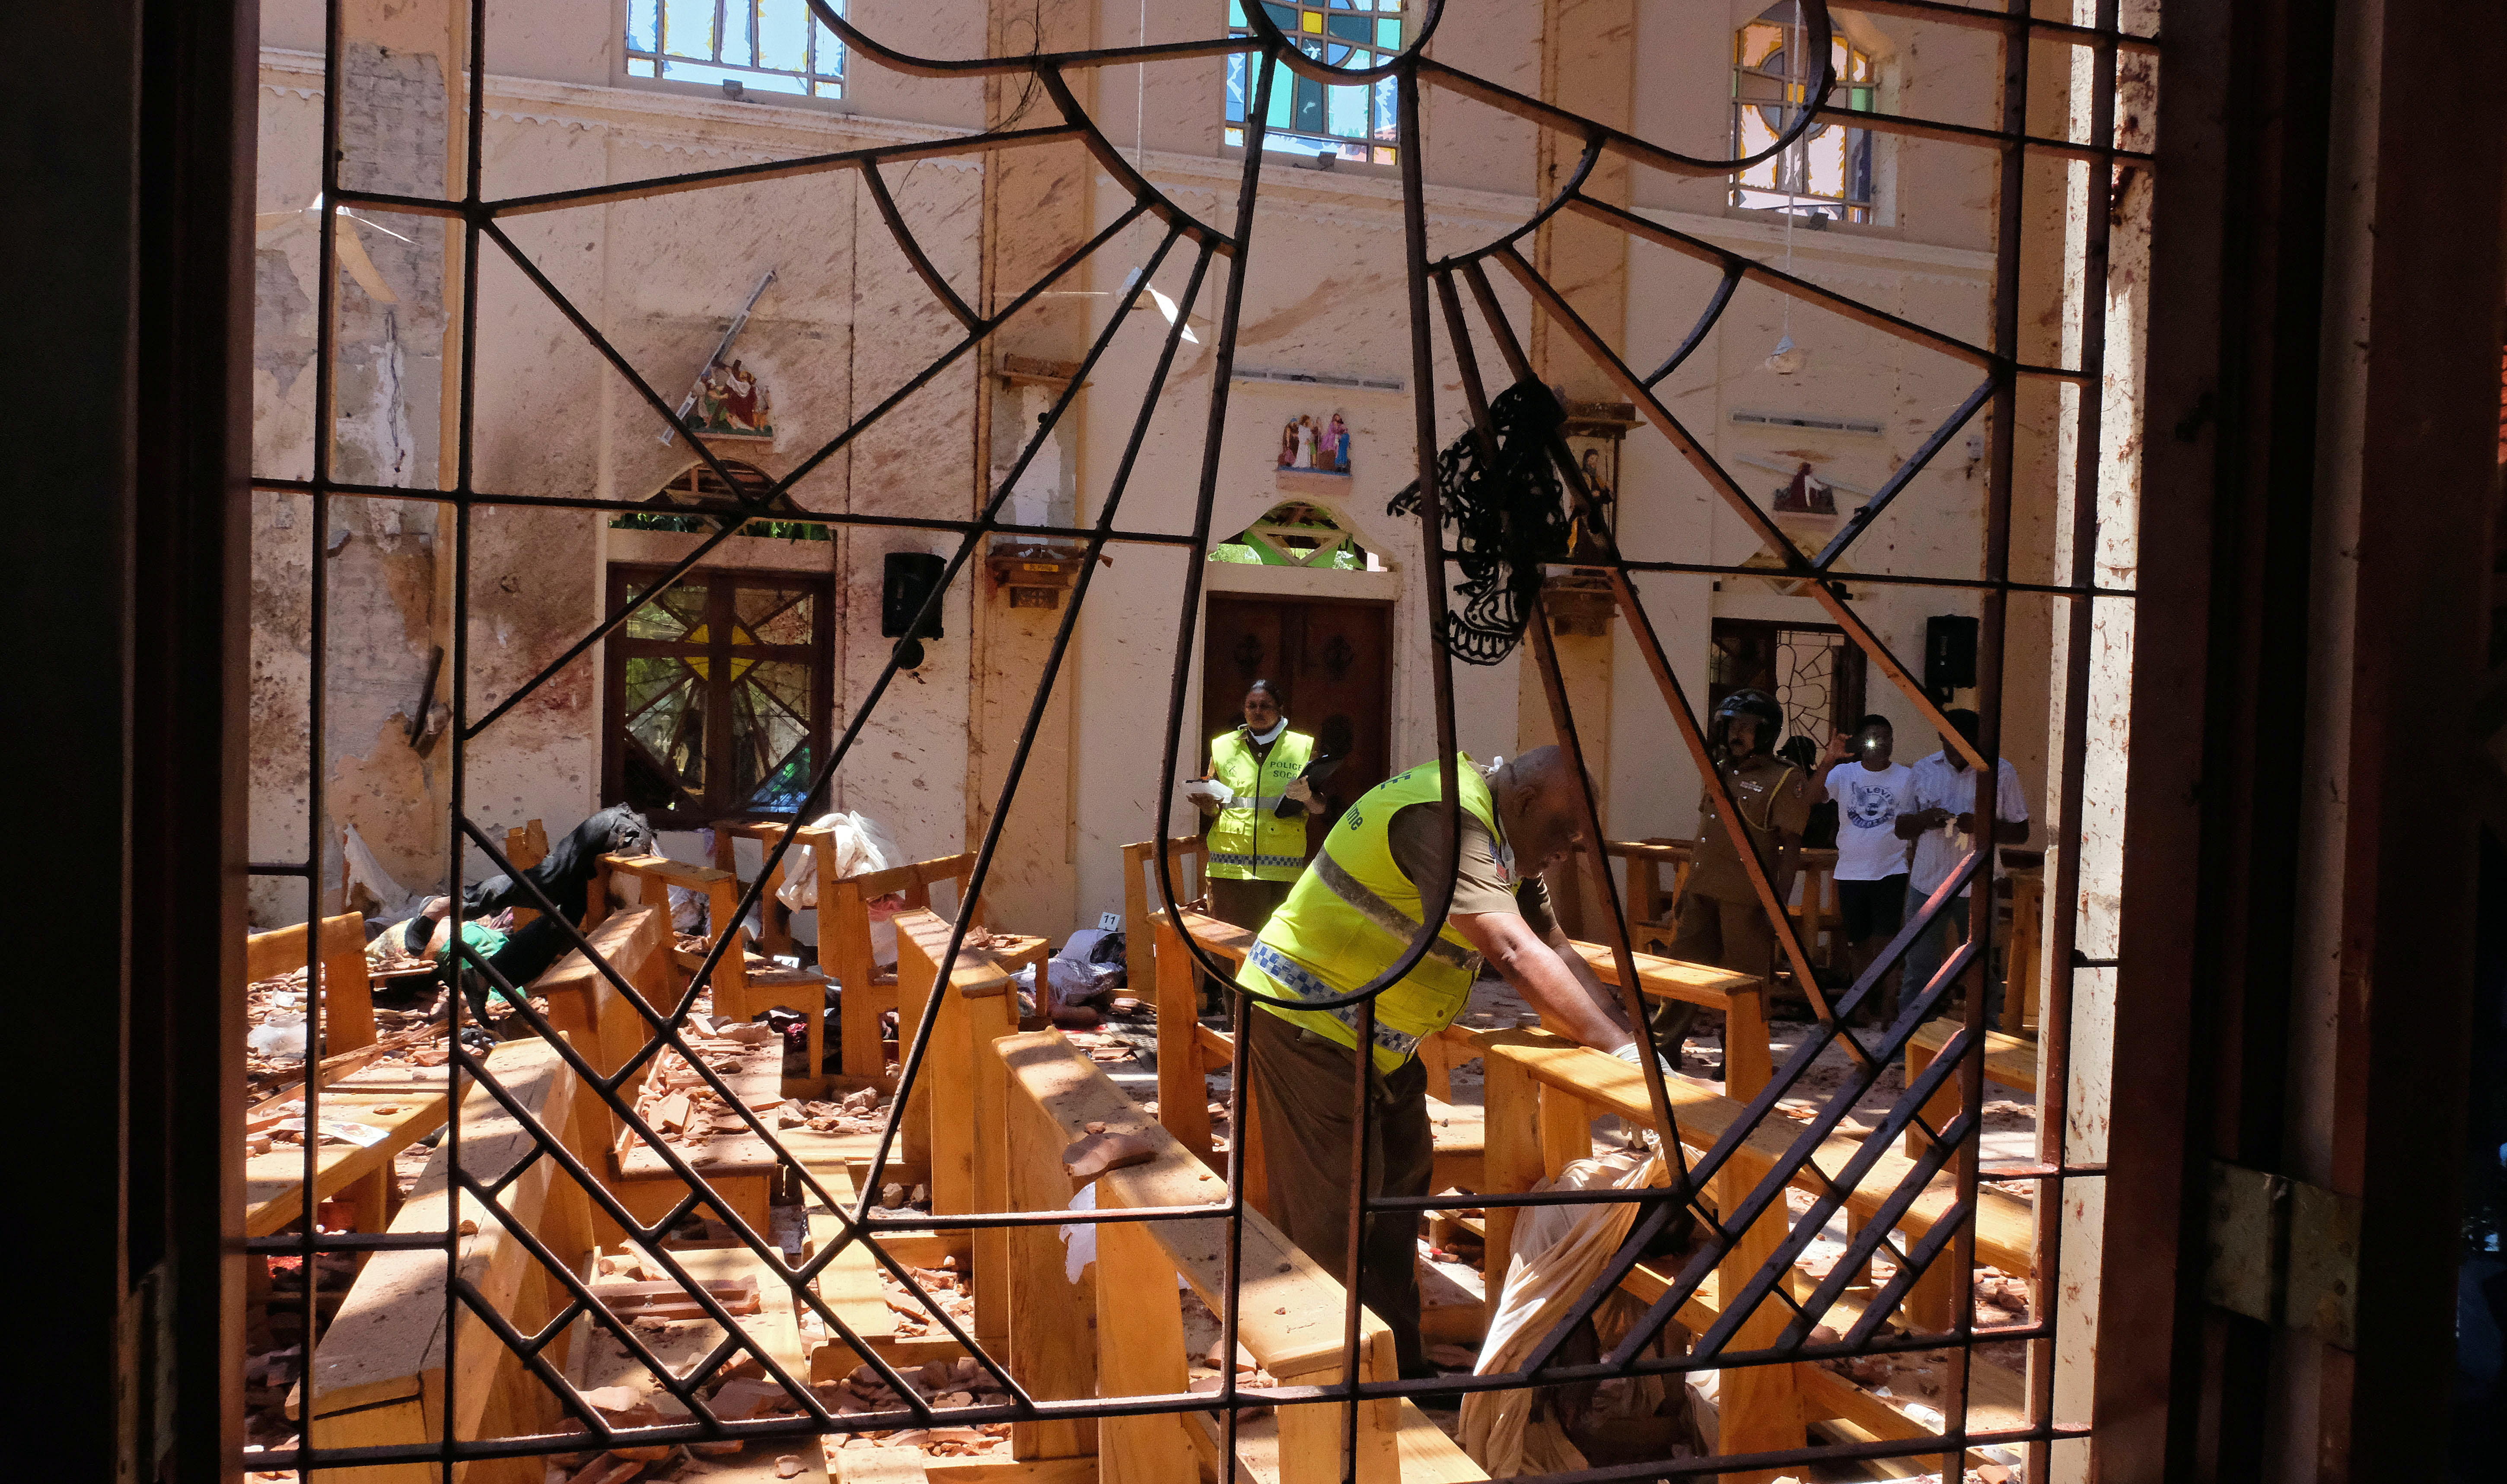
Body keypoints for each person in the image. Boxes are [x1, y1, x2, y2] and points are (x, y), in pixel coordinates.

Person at [1235, 747, 1643, 1379]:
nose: (1571, 851)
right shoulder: (1446, 817)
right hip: (1309, 1022)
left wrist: (1630, 1039)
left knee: (1394, 1206)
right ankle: (1325, 1394)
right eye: (1566, 834)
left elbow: (1552, 945)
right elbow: (1510, 948)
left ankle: (1396, 1373)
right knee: (1334, 1218)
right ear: (1529, 802)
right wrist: (1619, 1051)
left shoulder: (1503, 838)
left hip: (1382, 1038)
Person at [1654, 689, 1813, 1061]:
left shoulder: (1784, 778)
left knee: (1744, 984)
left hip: (1747, 899)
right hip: (1702, 890)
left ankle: (1741, 1059)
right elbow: (1705, 836)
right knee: (1681, 972)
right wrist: (1686, 889)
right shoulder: (1720, 771)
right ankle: (1664, 1048)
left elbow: (1790, 847)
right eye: (1731, 726)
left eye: (1745, 727)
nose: (1734, 735)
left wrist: (1777, 904)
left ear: (1767, 732)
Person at [1895, 708, 2030, 1007]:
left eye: (1966, 742)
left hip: (1977, 883)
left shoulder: (2000, 772)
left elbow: (2021, 832)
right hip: (1928, 883)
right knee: (1919, 964)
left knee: (1980, 966)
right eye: (1951, 740)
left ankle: (1987, 1035)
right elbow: (1901, 828)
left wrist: (1983, 827)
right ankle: (1912, 1036)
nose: (1957, 748)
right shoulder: (1923, 769)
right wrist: (1925, 820)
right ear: (1941, 737)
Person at [1192, 680, 1322, 936]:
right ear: (1244, 709)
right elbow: (1215, 806)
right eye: (1252, 706)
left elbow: (1320, 807)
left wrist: (1308, 796)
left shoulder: (1303, 748)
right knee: (1228, 949)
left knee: (1275, 949)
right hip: (1229, 870)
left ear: (1280, 709)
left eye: (1266, 706)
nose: (1258, 711)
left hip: (1281, 871)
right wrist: (1207, 806)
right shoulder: (1222, 746)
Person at [1819, 714, 1916, 1019]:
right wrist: (1827, 761)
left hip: (1891, 869)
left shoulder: (1906, 777)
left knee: (1886, 942)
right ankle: (1860, 1003)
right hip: (1850, 871)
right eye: (1874, 737)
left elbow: (1916, 818)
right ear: (1862, 743)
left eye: (1887, 737)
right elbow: (1811, 798)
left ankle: (1888, 1005)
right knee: (1858, 943)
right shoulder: (1844, 774)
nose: (1881, 743)